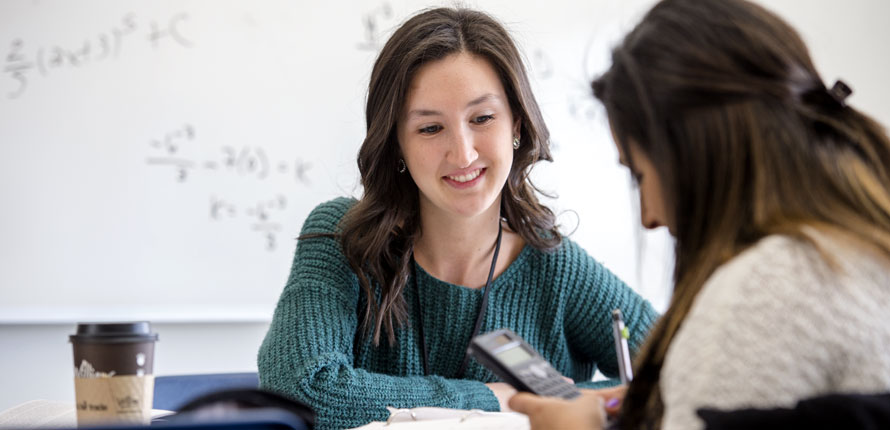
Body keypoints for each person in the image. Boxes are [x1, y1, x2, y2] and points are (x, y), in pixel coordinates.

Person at [256, 7, 659, 430]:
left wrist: (553, 401)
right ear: (397, 144)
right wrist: (487, 398)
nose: (463, 154)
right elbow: (299, 391)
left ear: (516, 124)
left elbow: (676, 372)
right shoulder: (342, 238)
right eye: (430, 129)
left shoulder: (553, 265)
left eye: (482, 118)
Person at [508, 0, 890, 429]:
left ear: (692, 158)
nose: (648, 217)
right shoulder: (862, 246)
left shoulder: (767, 290)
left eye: (639, 175)